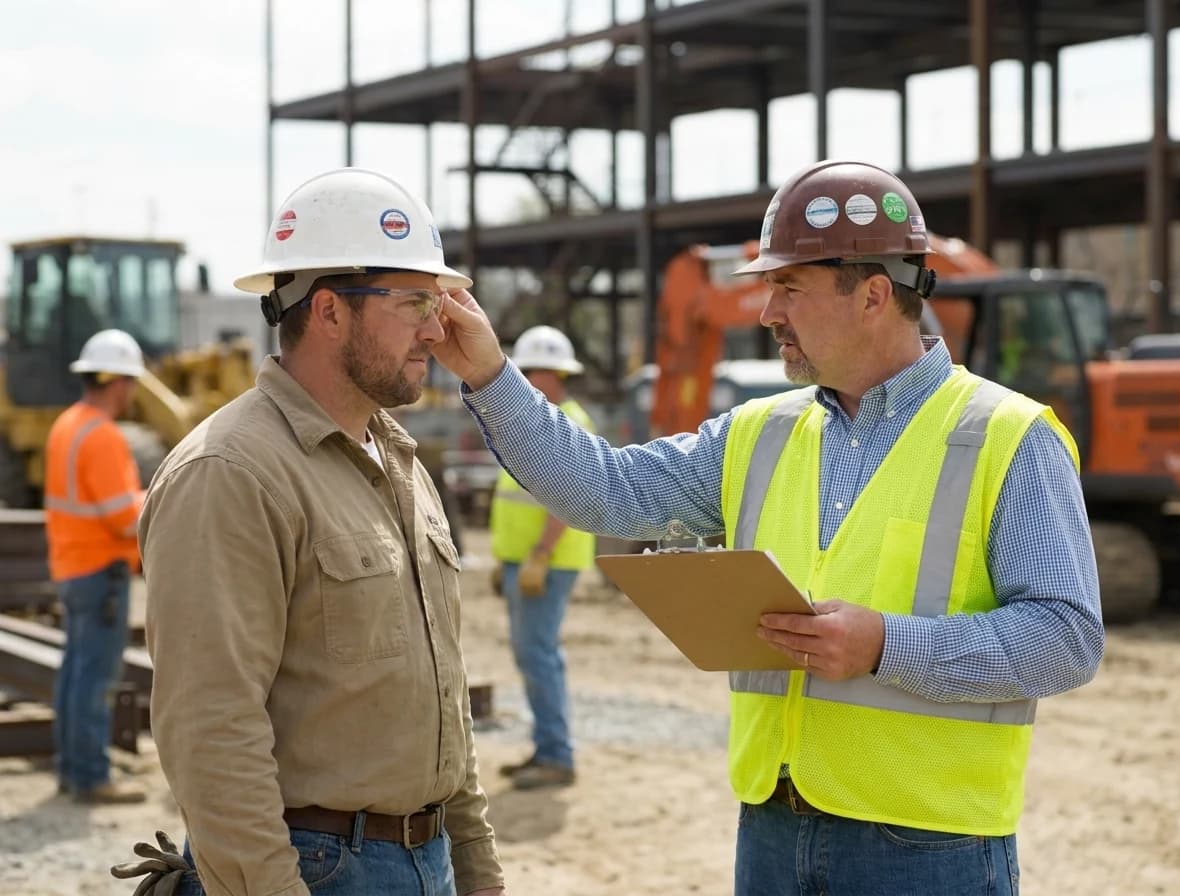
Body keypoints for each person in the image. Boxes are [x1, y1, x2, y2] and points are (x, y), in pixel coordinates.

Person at [432, 160, 1105, 895]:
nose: (766, 313)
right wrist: (492, 376)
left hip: (929, 847)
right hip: (773, 831)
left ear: (874, 295)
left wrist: (887, 645)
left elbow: (1066, 638)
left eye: (789, 287)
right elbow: (607, 490)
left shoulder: (1008, 436)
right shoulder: (758, 435)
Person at [135, 168, 505, 896]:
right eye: (414, 304)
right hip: (318, 870)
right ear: (330, 311)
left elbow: (440, 694)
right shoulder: (230, 473)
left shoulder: (399, 462)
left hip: (423, 863)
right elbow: (212, 731)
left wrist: (477, 869)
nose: (437, 328)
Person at [44, 328, 148, 805]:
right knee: (96, 677)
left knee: (75, 672)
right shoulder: (102, 435)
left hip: (71, 566)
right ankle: (90, 777)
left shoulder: (67, 423)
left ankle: (72, 769)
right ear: (118, 383)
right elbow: (125, 519)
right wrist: (161, 498)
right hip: (100, 569)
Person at [488, 325, 595, 790]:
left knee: (538, 654)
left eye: (535, 371)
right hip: (526, 560)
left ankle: (555, 754)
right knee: (532, 654)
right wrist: (508, 559)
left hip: (546, 562)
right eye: (525, 370)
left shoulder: (566, 421)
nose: (527, 380)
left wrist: (539, 555)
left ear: (557, 375)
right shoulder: (539, 419)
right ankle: (546, 749)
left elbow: (570, 496)